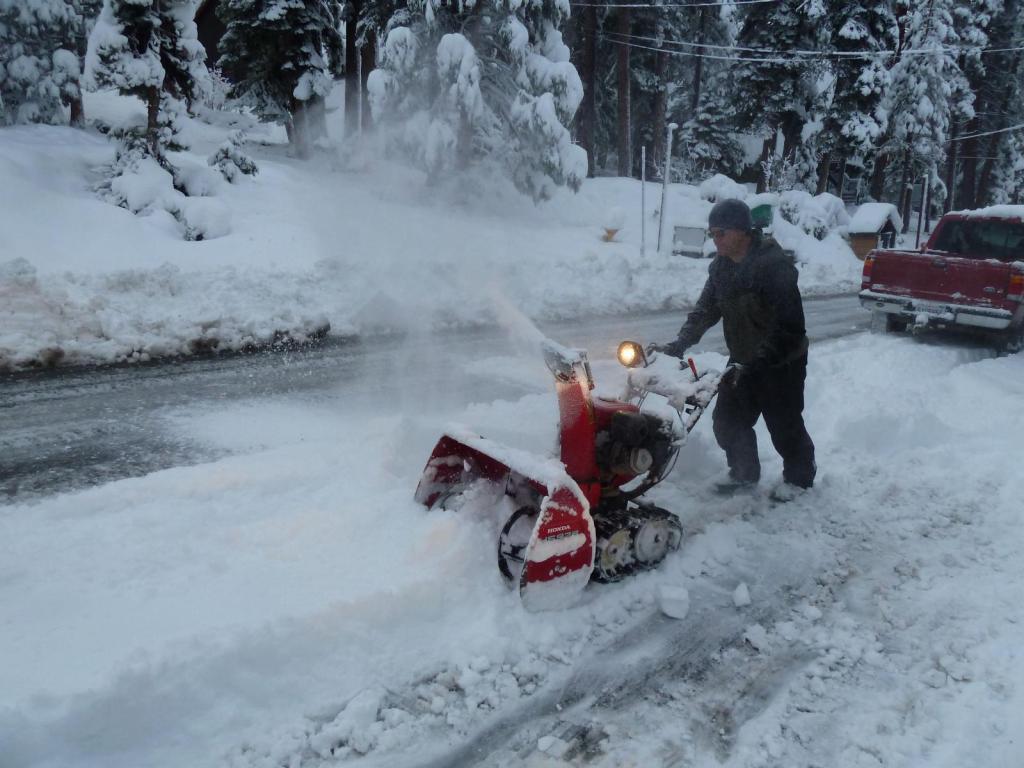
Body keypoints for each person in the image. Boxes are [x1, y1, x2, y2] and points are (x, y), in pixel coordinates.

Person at [650, 199, 816, 500]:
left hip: (782, 363)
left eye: (721, 233)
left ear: (742, 231)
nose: (716, 240)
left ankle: (799, 480)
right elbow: (704, 312)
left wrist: (761, 361)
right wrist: (678, 344)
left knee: (784, 425)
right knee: (727, 422)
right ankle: (743, 474)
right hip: (743, 359)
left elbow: (790, 326)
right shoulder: (721, 269)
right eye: (712, 234)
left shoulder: (774, 267)